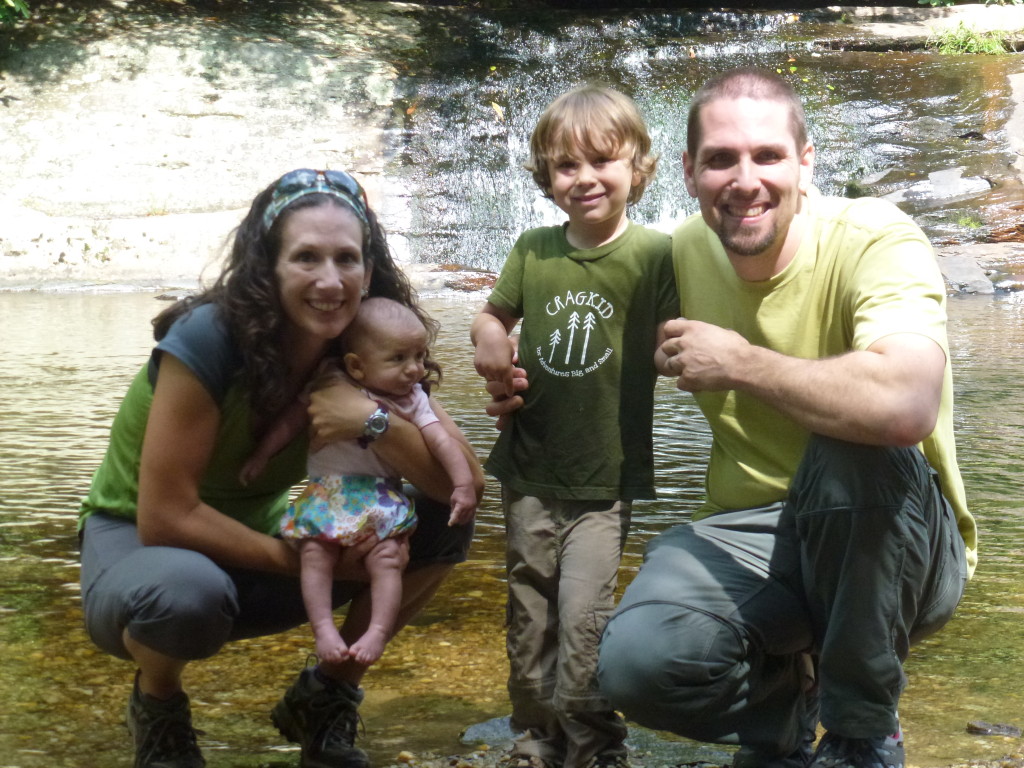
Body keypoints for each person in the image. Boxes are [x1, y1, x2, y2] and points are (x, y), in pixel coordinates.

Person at [593, 68, 977, 768]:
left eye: (767, 155)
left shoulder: (876, 236)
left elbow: (906, 405)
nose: (745, 181)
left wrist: (742, 362)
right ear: (688, 172)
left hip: (902, 541)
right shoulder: (678, 250)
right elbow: (587, 322)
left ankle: (863, 733)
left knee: (852, 442)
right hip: (753, 536)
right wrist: (500, 342)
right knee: (638, 664)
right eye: (720, 159)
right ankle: (781, 710)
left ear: (805, 163)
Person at [78, 168, 482, 768]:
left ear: (368, 272)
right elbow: (164, 515)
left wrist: (369, 420)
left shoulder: (362, 343)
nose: (329, 280)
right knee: (187, 594)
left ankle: (326, 695)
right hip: (138, 540)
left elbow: (462, 484)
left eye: (347, 259)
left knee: (441, 520)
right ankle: (159, 706)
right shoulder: (209, 339)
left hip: (268, 532)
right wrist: (301, 557)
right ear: (267, 267)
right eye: (306, 258)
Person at [471, 85, 677, 768]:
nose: (584, 178)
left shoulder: (654, 255)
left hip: (602, 479)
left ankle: (594, 745)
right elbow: (492, 316)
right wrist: (489, 339)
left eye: (602, 161)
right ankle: (535, 736)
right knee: (529, 614)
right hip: (529, 468)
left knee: (584, 618)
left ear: (637, 168)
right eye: (566, 166)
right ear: (546, 177)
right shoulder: (533, 250)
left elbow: (676, 334)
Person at [240, 296, 478, 666]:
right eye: (399, 359)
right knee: (315, 555)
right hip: (328, 495)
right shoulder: (329, 381)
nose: (415, 369)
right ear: (357, 364)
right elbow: (291, 422)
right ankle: (324, 631)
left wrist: (461, 484)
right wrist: (261, 455)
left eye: (419, 356)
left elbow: (442, 441)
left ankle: (376, 635)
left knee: (387, 560)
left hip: (380, 498)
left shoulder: (412, 398)